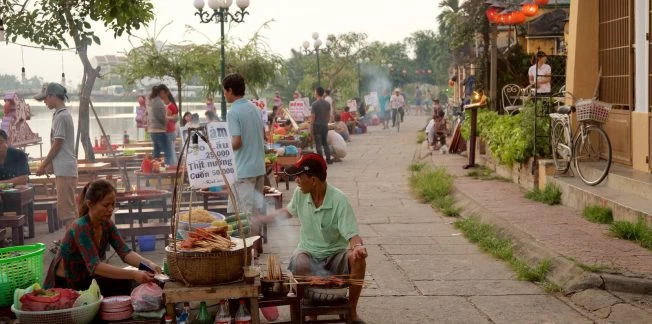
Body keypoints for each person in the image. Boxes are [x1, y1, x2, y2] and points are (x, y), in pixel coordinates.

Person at [250, 153, 367, 324]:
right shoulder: (300, 194)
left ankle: (351, 311)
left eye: (299, 176)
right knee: (300, 262)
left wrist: (358, 248)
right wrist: (262, 220)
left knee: (358, 260)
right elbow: (286, 212)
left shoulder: (339, 200)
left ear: (313, 180)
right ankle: (310, 311)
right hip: (309, 252)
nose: (296, 180)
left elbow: (353, 235)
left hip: (335, 254)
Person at [44, 180, 161, 295]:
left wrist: (150, 265)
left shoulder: (107, 224)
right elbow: (95, 267)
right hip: (65, 285)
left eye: (113, 204)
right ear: (90, 204)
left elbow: (125, 253)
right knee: (130, 282)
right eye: (105, 205)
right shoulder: (80, 227)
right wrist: (133, 274)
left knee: (134, 282)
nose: (110, 209)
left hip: (87, 278)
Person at [34, 83, 78, 226]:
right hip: (64, 168)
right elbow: (59, 144)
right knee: (69, 210)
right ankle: (74, 244)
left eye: (45, 98)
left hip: (65, 170)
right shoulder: (61, 114)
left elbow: (58, 143)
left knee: (67, 213)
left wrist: (44, 164)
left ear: (53, 96)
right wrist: (52, 164)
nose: (45, 102)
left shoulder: (61, 116)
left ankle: (74, 246)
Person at [224, 73, 266, 220]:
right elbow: (263, 135)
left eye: (224, 91)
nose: (224, 95)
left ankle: (248, 244)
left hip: (243, 171)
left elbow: (236, 142)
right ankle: (256, 243)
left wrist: (221, 148)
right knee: (255, 215)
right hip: (259, 168)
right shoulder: (255, 109)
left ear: (229, 90)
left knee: (244, 219)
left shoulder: (233, 112)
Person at [147, 85, 172, 166]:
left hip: (153, 130)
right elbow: (161, 117)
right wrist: (167, 120)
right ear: (161, 93)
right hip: (159, 131)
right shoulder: (158, 102)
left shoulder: (152, 101)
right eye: (165, 93)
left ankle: (154, 168)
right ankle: (168, 170)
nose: (166, 95)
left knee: (156, 152)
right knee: (168, 152)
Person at [310, 87, 332, 164]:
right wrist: (326, 122)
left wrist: (311, 126)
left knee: (318, 144)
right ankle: (328, 159)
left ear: (316, 93)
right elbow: (329, 116)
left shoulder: (314, 104)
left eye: (314, 91)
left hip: (317, 126)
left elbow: (313, 117)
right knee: (325, 143)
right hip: (325, 125)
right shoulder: (327, 103)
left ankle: (321, 160)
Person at [163, 91, 178, 166]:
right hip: (172, 131)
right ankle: (173, 166)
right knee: (172, 150)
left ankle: (171, 166)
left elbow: (166, 119)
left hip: (169, 131)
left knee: (170, 151)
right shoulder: (173, 106)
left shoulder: (170, 107)